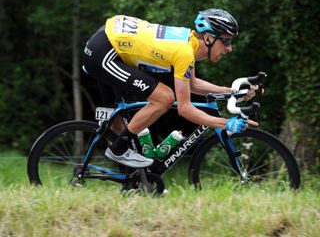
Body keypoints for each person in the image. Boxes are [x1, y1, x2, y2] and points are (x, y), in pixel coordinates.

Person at [82, 9, 258, 168]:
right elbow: (185, 109)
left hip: (112, 41)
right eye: (226, 41)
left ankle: (135, 184)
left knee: (119, 126)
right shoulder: (184, 53)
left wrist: (232, 92)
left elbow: (193, 84)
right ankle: (118, 150)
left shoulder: (189, 44)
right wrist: (226, 123)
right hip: (103, 53)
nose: (229, 48)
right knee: (164, 98)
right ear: (208, 38)